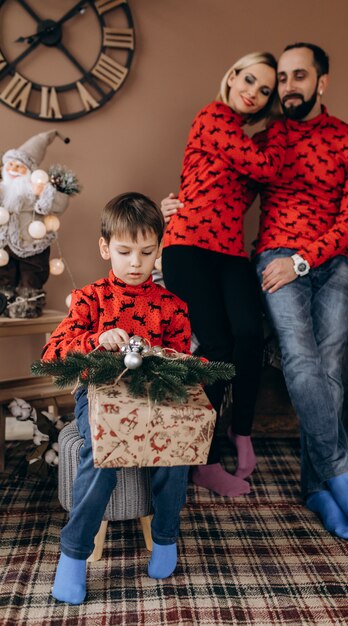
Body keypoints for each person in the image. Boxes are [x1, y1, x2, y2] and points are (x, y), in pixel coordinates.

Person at [41, 192, 192, 604]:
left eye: (146, 252)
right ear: (105, 247)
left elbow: (184, 364)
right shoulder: (91, 299)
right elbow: (52, 353)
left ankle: (164, 538)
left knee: (175, 453)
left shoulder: (173, 307)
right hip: (101, 397)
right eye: (124, 252)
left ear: (158, 250)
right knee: (102, 455)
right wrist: (95, 340)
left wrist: (165, 362)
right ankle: (73, 554)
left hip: (156, 400)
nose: (135, 263)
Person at [253, 43, 348, 540]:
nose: (287, 87)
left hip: (329, 263)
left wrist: (304, 259)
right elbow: (222, 189)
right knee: (302, 361)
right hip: (275, 260)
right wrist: (181, 205)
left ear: (321, 82)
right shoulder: (264, 141)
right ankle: (338, 475)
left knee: (329, 369)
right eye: (281, 78)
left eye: (298, 76)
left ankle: (315, 488)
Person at [161, 52, 287, 497]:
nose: (253, 92)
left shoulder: (250, 138)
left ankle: (242, 431)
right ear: (232, 77)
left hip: (230, 249)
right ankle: (206, 461)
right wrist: (281, 135)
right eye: (249, 80)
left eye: (265, 89)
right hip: (189, 245)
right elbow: (268, 170)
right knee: (215, 343)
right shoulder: (213, 116)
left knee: (250, 334)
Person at [0, 130, 74, 317]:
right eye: (11, 165)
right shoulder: (3, 190)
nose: (14, 169)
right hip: (5, 245)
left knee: (31, 273)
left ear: (32, 172)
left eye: (20, 166)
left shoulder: (38, 190)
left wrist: (43, 192)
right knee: (4, 272)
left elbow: (60, 204)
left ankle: (28, 305)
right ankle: (4, 300)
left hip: (32, 242)